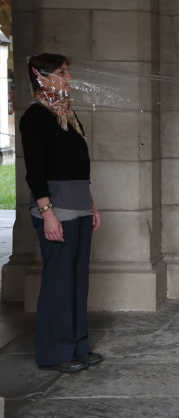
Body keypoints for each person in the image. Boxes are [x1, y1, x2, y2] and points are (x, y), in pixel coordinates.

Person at [19, 53, 102, 374]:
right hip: (55, 209)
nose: (68, 78)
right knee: (58, 282)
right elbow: (35, 170)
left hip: (79, 204)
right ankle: (55, 353)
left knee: (77, 281)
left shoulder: (67, 114)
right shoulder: (36, 117)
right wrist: (47, 212)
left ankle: (77, 346)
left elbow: (78, 165)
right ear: (40, 76)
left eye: (68, 72)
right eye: (62, 73)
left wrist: (91, 203)